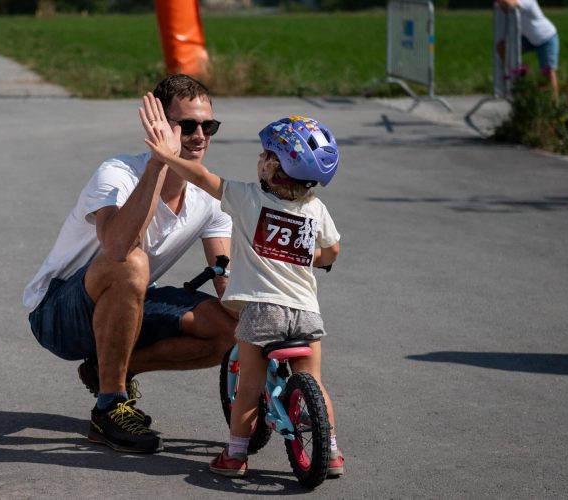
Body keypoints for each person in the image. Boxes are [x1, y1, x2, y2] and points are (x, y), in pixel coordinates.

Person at [23, 75, 236, 454]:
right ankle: (111, 407)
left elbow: (227, 281)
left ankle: (116, 368)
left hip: (127, 304)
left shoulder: (209, 200)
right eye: (186, 126)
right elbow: (118, 246)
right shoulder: (118, 173)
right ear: (159, 128)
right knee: (132, 263)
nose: (199, 136)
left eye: (209, 126)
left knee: (230, 330)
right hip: (58, 312)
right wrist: (159, 163)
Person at [140, 95, 344, 478]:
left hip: (261, 311)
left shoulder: (248, 197)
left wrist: (167, 157)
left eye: (265, 154)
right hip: (306, 310)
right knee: (314, 381)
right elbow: (332, 250)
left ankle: (235, 455)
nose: (260, 159)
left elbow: (204, 179)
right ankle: (330, 452)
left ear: (272, 167)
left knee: (249, 385)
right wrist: (312, 259)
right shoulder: (315, 208)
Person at [496, 0, 559, 98]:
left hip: (546, 37)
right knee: (502, 47)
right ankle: (522, 73)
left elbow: (510, 4)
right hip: (528, 38)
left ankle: (554, 104)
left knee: (548, 71)